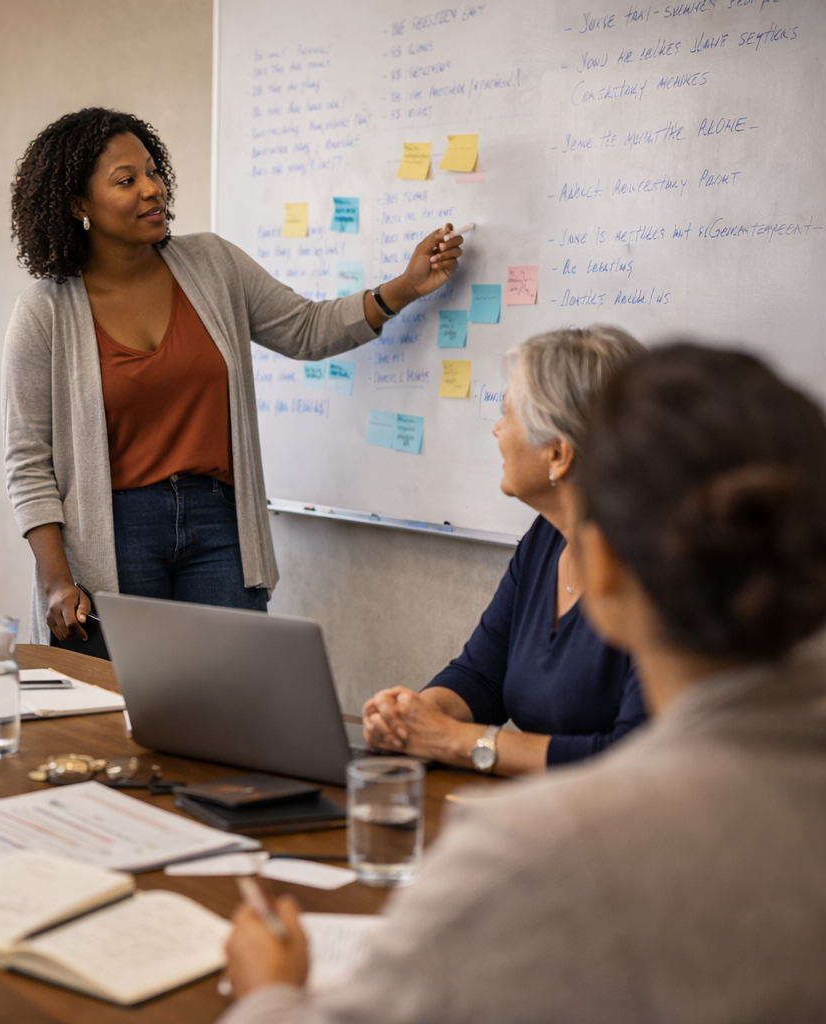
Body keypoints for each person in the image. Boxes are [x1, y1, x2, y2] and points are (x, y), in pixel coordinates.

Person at [221, 343, 826, 1023]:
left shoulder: (541, 851)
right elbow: (483, 665)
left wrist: (269, 987)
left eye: (504, 410)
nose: (495, 426)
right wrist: (425, 714)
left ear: (605, 569)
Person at [2, 107, 464, 656]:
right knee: (118, 709)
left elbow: (306, 329)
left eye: (153, 171)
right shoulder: (45, 310)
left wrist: (405, 288)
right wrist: (58, 580)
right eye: (127, 181)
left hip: (219, 525)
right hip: (113, 534)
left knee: (228, 705)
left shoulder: (211, 263)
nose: (153, 189)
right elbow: (28, 460)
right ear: (79, 205)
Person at [362, 326, 648, 774]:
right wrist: (414, 715)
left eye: (508, 414)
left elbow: (632, 757)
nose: (496, 429)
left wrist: (455, 741)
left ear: (558, 454)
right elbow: (481, 677)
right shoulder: (545, 539)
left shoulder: (660, 571)